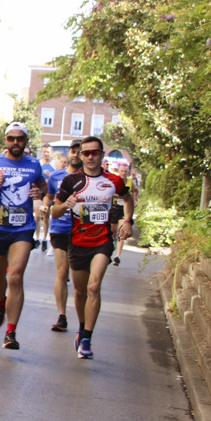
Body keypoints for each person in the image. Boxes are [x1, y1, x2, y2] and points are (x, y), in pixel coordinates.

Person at [52, 136, 133, 359]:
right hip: (77, 242)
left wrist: (128, 221)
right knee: (79, 291)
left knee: (94, 287)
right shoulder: (71, 181)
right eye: (85, 153)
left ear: (101, 155)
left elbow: (127, 199)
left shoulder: (113, 181)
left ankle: (87, 338)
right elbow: (54, 211)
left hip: (102, 241)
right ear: (80, 155)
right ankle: (81, 327)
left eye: (94, 152)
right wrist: (65, 205)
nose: (89, 157)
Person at [0, 122, 47, 350]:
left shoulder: (34, 164)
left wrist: (39, 192)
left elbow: (44, 187)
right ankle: (0, 303)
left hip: (22, 229)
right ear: (6, 140)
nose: (15, 142)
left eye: (20, 138)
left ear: (26, 141)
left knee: (15, 277)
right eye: (11, 138)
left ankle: (11, 332)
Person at [41, 140, 82, 332]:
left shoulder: (89, 179)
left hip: (82, 231)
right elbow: (49, 196)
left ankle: (83, 319)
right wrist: (45, 204)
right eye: (73, 151)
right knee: (62, 271)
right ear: (69, 154)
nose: (76, 155)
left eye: (79, 152)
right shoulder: (57, 176)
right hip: (60, 229)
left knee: (79, 278)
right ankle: (61, 315)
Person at [34, 144, 55, 253]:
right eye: (44, 151)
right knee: (37, 215)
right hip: (38, 192)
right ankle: (36, 237)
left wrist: (50, 176)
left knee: (45, 217)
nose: (46, 154)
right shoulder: (38, 164)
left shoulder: (54, 165)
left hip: (49, 193)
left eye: (48, 152)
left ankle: (44, 240)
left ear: (51, 152)